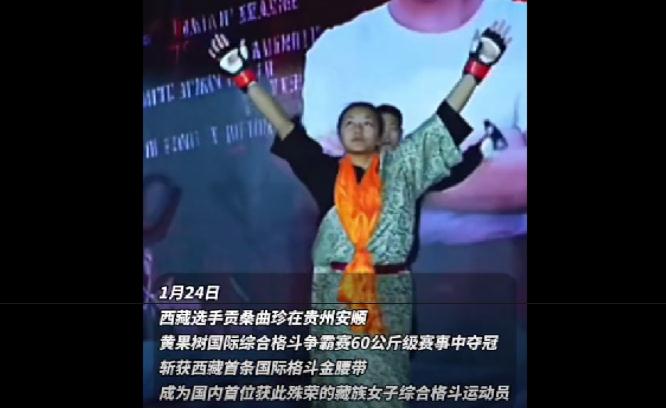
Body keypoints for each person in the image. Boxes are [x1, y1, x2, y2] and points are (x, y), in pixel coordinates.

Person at [208, 22, 510, 406]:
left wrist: (478, 66)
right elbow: (284, 127)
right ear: (340, 133)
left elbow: (445, 120)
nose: (357, 127)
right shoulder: (324, 173)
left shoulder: (405, 171)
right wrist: (243, 75)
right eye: (349, 122)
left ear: (379, 133)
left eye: (367, 122)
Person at [302, 0, 527, 245]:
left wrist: (380, 174)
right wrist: (483, 160)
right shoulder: (334, 51)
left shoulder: (521, 25)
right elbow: (327, 191)